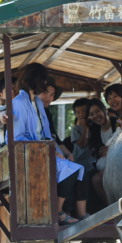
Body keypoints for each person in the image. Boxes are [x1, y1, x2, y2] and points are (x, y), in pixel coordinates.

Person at [12, 63, 86, 225]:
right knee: (70, 170)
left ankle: (66, 211)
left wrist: (53, 149)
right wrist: (46, 150)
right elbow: (18, 137)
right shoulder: (19, 101)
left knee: (77, 169)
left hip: (45, 150)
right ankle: (58, 211)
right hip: (30, 155)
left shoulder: (37, 103)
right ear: (35, 80)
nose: (45, 84)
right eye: (43, 81)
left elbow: (45, 133)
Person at [86, 99, 119, 207]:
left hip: (119, 160)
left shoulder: (117, 124)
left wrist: (110, 148)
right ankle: (110, 208)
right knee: (95, 179)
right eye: (91, 114)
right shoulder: (94, 130)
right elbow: (95, 152)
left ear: (105, 109)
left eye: (97, 111)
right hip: (105, 163)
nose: (95, 116)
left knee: (102, 174)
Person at [39, 80, 75, 161]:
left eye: (52, 95)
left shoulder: (47, 113)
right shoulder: (29, 110)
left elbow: (54, 136)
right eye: (45, 92)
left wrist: (68, 154)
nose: (48, 97)